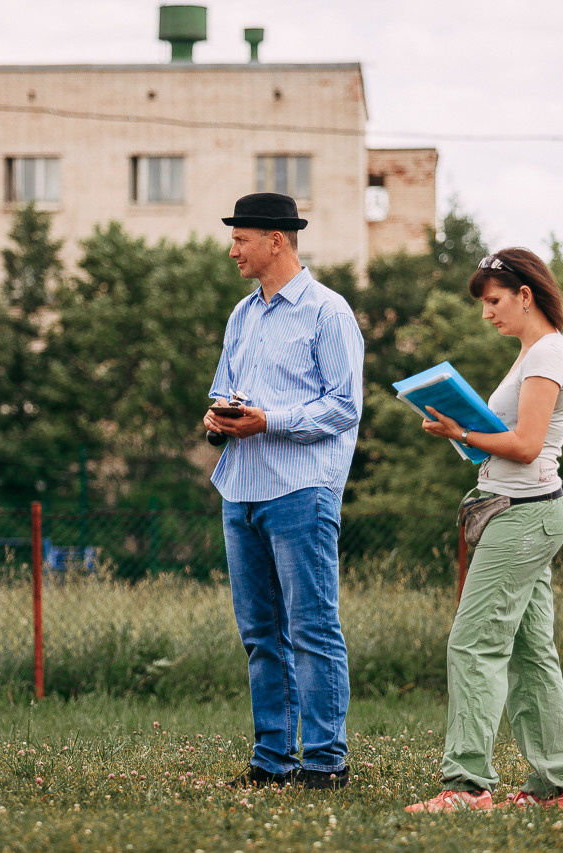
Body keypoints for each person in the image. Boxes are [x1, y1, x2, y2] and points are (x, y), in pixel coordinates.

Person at [405, 248, 563, 813]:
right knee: (531, 652)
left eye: (493, 300)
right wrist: (464, 433)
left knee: (474, 642)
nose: (487, 313)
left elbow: (528, 446)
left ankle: (466, 786)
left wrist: (464, 432)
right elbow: (514, 439)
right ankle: (553, 787)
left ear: (525, 294)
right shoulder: (532, 352)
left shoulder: (547, 355)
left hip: (524, 514)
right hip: (522, 509)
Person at [204, 192, 365, 790]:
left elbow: (345, 407)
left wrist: (266, 420)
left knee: (313, 629)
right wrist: (218, 418)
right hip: (240, 489)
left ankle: (325, 762)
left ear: (277, 240)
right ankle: (273, 759)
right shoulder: (242, 315)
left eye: (241, 238)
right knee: (258, 635)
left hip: (302, 490)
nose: (233, 250)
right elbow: (226, 385)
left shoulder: (329, 312)